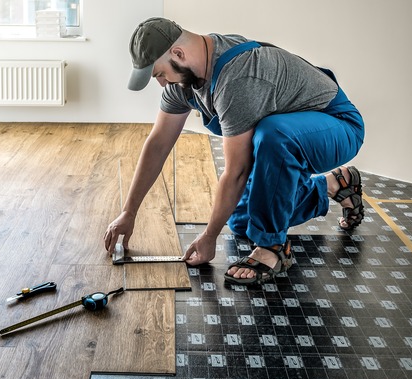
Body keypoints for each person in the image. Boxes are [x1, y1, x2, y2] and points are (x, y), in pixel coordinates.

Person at [103, 17, 365, 285]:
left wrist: (209, 237)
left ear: (178, 54)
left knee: (273, 135)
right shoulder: (185, 80)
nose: (161, 83)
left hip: (337, 127)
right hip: (291, 133)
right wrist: (129, 212)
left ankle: (272, 249)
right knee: (243, 223)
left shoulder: (236, 78)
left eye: (159, 74)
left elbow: (237, 172)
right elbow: (158, 144)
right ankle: (334, 185)